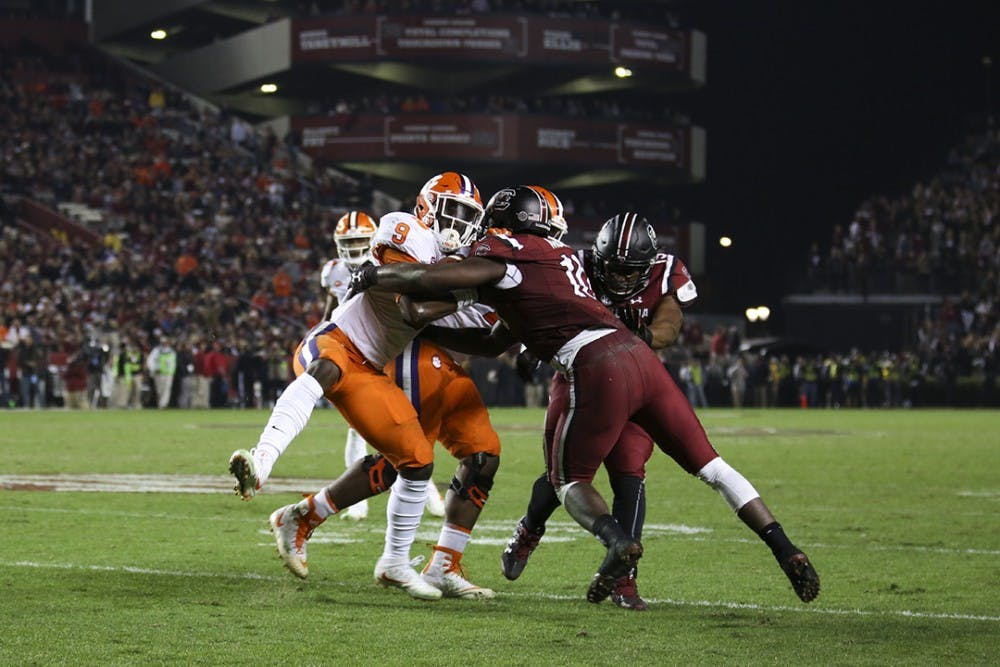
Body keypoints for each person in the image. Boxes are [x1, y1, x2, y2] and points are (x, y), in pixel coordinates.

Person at [349, 187, 821, 606]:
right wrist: (434, 323)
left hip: (594, 367)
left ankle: (617, 542)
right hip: (639, 357)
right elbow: (496, 336)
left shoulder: (504, 252)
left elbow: (434, 280)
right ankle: (784, 547)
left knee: (568, 481)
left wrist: (377, 277)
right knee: (713, 468)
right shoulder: (562, 256)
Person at [229, 172, 499, 601]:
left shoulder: (458, 267)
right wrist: (470, 293)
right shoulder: (404, 229)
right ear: (428, 206)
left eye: (468, 216)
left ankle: (387, 560)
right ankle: (261, 462)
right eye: (453, 210)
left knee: (416, 461)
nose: (459, 223)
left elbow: (482, 334)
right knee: (325, 370)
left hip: (371, 369)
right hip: (337, 340)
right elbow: (412, 305)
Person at [503, 209, 699, 611]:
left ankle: (624, 578)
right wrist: (530, 349)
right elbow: (545, 309)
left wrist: (635, 335)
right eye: (615, 269)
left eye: (632, 271)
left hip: (637, 384)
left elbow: (669, 326)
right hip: (578, 377)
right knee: (564, 475)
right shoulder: (575, 266)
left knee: (630, 473)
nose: (623, 279)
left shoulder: (668, 271)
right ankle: (529, 528)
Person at [317, 210, 445, 521]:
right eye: (349, 242)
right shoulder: (334, 272)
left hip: (397, 349)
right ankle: (358, 502)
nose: (354, 247)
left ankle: (427, 492)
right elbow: (331, 313)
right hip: (362, 353)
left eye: (361, 240)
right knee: (358, 430)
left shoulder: (387, 260)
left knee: (407, 426)